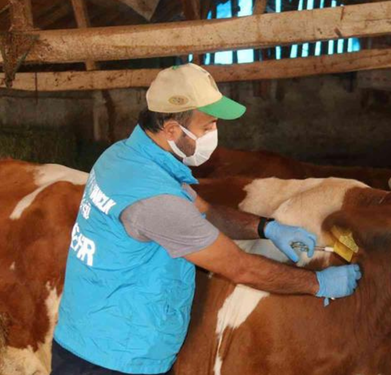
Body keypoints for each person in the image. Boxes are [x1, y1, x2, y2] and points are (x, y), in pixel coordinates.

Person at [51, 63, 361, 375]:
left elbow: (204, 210)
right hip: (113, 359)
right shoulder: (155, 199)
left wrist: (267, 228)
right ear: (173, 129)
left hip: (89, 333)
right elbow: (239, 267)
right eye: (207, 126)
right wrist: (317, 283)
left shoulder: (124, 156)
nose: (214, 134)